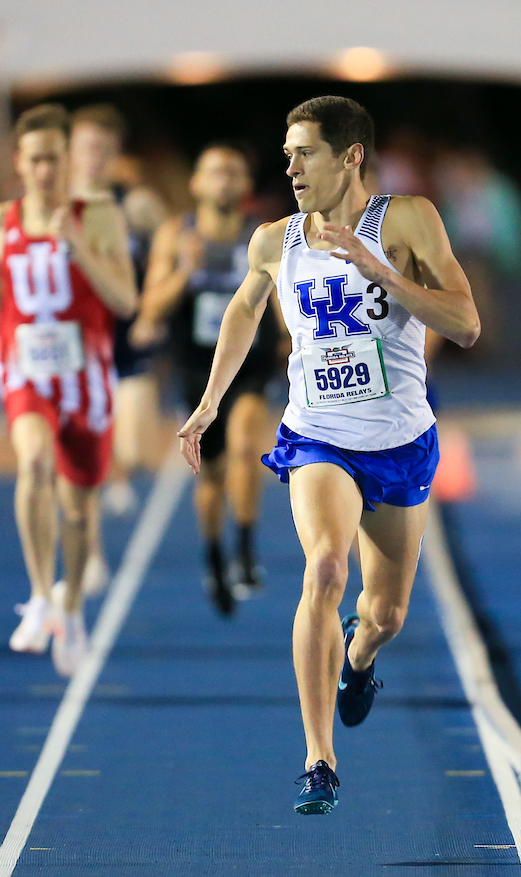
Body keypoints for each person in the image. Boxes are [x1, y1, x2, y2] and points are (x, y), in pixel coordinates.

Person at [177, 96, 478, 814]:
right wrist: (213, 399)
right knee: (325, 565)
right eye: (285, 153)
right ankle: (319, 759)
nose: (289, 166)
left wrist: (377, 269)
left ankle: (361, 656)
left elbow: (465, 324)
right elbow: (246, 306)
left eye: (304, 152)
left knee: (387, 614)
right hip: (318, 434)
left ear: (350, 155)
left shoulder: (407, 219)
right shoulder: (273, 239)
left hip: (400, 441)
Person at [0, 104, 137, 677]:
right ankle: (39, 596)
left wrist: (78, 244)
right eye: (33, 159)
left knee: (80, 512)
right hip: (24, 367)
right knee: (33, 464)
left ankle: (74, 611)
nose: (44, 170)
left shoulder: (101, 216)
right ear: (19, 162)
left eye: (53, 159)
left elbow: (125, 301)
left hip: (86, 377)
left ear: (68, 161)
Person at [132, 143, 280, 616]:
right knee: (210, 474)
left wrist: (295, 343)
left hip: (252, 363)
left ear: (246, 185)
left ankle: (245, 546)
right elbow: (151, 308)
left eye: (233, 172)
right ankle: (215, 556)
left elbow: (280, 301)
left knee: (245, 446)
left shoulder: (261, 237)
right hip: (197, 368)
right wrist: (185, 269)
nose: (224, 181)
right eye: (215, 172)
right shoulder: (177, 234)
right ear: (196, 183)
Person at [70, 105, 168, 522]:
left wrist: (154, 309)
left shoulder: (137, 205)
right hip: (73, 342)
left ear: (116, 154)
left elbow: (171, 254)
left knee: (131, 448)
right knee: (76, 455)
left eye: (103, 149)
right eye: (87, 148)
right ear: (71, 151)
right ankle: (87, 553)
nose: (95, 158)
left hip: (127, 338)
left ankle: (119, 474)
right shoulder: (54, 207)